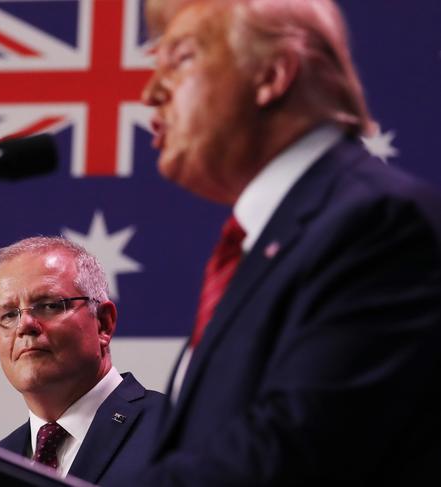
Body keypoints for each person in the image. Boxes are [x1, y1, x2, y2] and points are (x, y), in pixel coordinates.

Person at [131, 0, 441, 485]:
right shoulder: (261, 246)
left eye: (181, 59)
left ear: (272, 75)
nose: (150, 93)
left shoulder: (378, 223)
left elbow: (293, 454)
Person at [0, 236, 165, 484]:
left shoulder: (177, 430)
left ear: (103, 323)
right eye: (8, 314)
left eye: (49, 305)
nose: (24, 325)